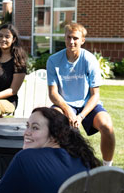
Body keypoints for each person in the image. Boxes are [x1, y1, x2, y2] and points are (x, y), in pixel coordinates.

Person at [46, 22, 115, 166]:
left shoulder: (90, 60)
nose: (71, 42)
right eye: (68, 37)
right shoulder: (53, 60)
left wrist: (81, 116)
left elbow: (95, 95)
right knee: (51, 125)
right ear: (64, 38)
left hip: (87, 105)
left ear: (82, 40)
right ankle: (57, 166)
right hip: (64, 104)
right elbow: (53, 94)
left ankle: (107, 169)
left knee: (107, 127)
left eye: (75, 38)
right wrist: (68, 111)